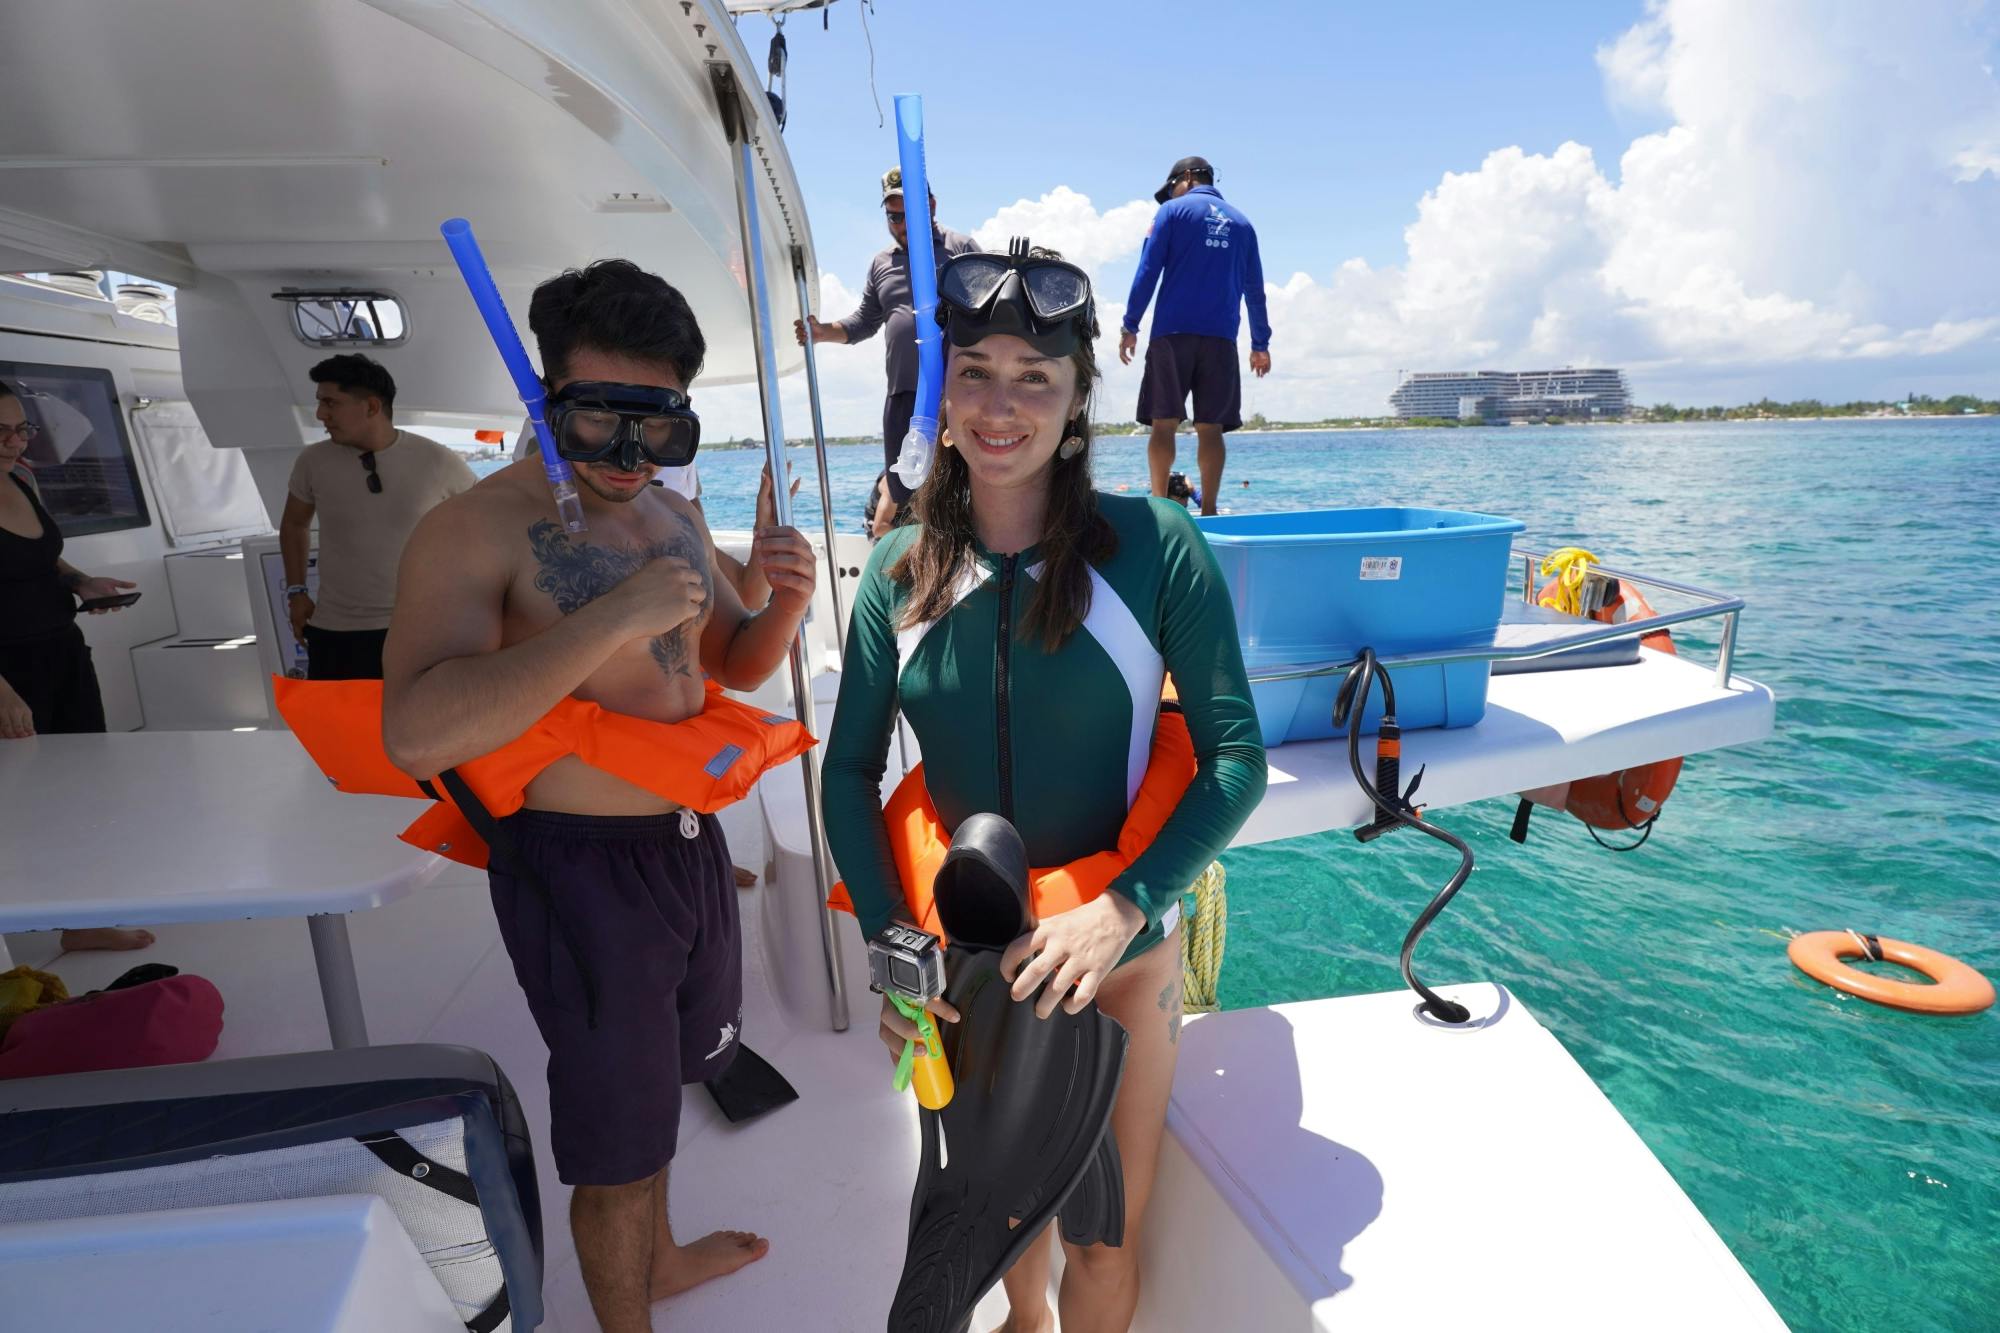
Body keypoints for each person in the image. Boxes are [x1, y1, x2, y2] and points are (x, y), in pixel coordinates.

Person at [822, 243, 1266, 1331]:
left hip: (1115, 954)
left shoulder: (1155, 546)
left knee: (1098, 1243)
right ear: (940, 391)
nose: (1000, 403)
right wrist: (892, 946)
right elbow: (845, 769)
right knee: (1002, 1245)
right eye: (973, 370)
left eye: (1035, 377)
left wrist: (1122, 910)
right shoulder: (896, 568)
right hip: (968, 963)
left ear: (1076, 405)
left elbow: (1235, 761)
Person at [380, 259, 816, 1333]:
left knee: (666, 1082)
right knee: (615, 1146)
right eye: (597, 422)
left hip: (686, 848)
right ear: (544, 401)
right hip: (577, 868)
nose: (629, 457)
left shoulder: (668, 517)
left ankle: (657, 1261)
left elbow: (728, 662)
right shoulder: (475, 529)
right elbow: (415, 729)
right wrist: (601, 623)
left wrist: (787, 601)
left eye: (657, 426)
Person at [0, 379, 153, 953]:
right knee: (20, 801)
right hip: (8, 677)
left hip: (62, 654)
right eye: (0, 431)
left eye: (22, 429)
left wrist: (79, 581)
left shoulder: (21, 480)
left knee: (84, 789)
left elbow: (41, 555)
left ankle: (83, 918)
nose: (15, 443)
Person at [794, 166, 979, 520]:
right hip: (902, 396)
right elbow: (864, 320)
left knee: (960, 489)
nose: (903, 225)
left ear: (933, 206)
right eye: (894, 216)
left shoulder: (962, 249)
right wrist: (821, 333)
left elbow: (990, 308)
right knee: (906, 495)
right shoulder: (882, 263)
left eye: (911, 213)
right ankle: (917, 569)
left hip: (954, 393)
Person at [280, 354, 477, 680]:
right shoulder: (312, 462)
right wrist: (296, 591)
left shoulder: (435, 461)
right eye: (319, 403)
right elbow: (294, 523)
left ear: (371, 407)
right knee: (342, 728)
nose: (320, 414)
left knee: (424, 728)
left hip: (422, 628)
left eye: (330, 403)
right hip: (335, 630)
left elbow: (482, 526)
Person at [1118, 156, 1272, 516]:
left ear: (1185, 178)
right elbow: (1255, 289)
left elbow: (1147, 270)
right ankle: (1210, 511)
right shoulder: (1243, 223)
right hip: (1220, 338)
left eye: (1170, 188)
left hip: (1172, 334)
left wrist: (1130, 324)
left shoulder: (1171, 213)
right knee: (1211, 428)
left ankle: (1160, 506)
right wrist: (1260, 344)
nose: (1170, 195)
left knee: (1163, 423)